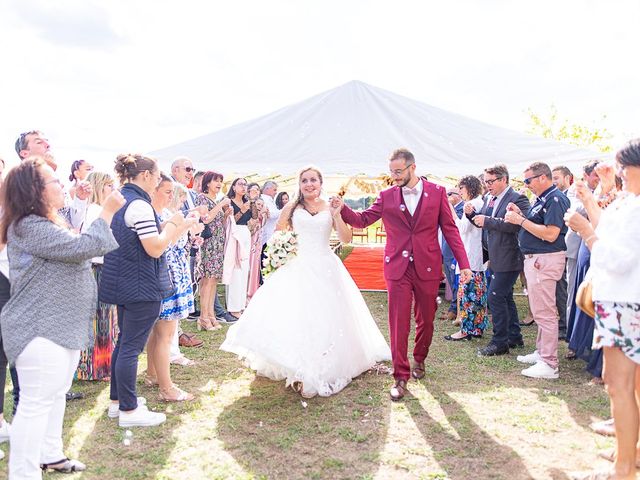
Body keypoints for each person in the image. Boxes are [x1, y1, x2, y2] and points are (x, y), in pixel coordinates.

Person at [221, 166, 391, 398]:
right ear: (299, 185)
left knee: (325, 315)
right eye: (304, 181)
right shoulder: (292, 207)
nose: (309, 184)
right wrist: (283, 249)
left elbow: (346, 238)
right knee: (297, 313)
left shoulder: (330, 207)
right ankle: (296, 364)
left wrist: (337, 214)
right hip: (298, 266)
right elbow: (278, 234)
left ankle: (322, 362)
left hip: (325, 266)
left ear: (321, 183)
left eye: (313, 180)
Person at [0, 157, 122, 477]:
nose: (62, 186)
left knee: (54, 396)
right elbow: (87, 246)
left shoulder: (46, 222)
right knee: (35, 405)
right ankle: (23, 474)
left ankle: (50, 454)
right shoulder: (28, 226)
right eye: (54, 181)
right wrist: (106, 210)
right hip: (38, 328)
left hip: (60, 325)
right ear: (35, 190)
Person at [335, 148, 471, 401]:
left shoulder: (438, 192)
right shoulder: (386, 195)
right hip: (397, 267)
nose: (394, 177)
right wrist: (342, 209)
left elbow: (450, 230)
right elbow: (363, 220)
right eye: (392, 172)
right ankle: (400, 375)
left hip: (428, 265)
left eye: (398, 172)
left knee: (426, 319)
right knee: (398, 322)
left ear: (412, 167)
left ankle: (420, 358)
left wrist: (464, 264)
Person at [100, 154, 195, 427]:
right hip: (141, 285)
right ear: (144, 176)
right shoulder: (140, 205)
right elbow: (154, 248)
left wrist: (174, 226)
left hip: (123, 281)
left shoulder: (120, 200)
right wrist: (175, 226)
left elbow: (143, 237)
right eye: (155, 176)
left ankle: (118, 403)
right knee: (131, 348)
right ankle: (129, 411)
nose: (157, 182)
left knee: (124, 344)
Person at [565, 139, 640, 480]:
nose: (618, 173)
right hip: (624, 302)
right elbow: (611, 226)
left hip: (625, 304)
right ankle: (631, 454)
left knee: (618, 385)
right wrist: (596, 196)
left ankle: (622, 471)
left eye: (621, 167)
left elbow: (617, 258)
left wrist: (587, 233)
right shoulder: (629, 202)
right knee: (633, 386)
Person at [505, 162, 570, 379]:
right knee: (541, 309)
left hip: (545, 259)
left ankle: (549, 363)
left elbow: (551, 233)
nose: (527, 185)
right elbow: (536, 223)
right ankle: (543, 352)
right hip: (537, 259)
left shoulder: (555, 199)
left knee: (545, 312)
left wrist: (520, 220)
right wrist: (521, 214)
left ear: (543, 177)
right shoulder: (543, 199)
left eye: (528, 180)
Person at [146, 175, 197, 402]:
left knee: (159, 332)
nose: (170, 196)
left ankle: (152, 374)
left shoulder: (160, 213)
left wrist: (184, 224)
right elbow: (166, 243)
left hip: (169, 273)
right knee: (165, 334)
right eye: (167, 192)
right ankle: (166, 388)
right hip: (167, 276)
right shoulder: (157, 215)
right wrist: (181, 224)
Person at [471, 164, 530, 357]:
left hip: (509, 255)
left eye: (490, 181)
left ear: (503, 179)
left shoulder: (518, 198)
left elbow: (514, 226)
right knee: (505, 297)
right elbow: (485, 221)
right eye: (485, 181)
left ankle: (500, 342)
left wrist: (487, 221)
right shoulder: (489, 198)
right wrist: (472, 216)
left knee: (495, 297)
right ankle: (514, 336)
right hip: (494, 255)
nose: (487, 185)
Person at [76, 172, 119, 381]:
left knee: (106, 319)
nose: (113, 189)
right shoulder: (95, 210)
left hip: (103, 266)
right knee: (99, 320)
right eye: (109, 186)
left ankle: (103, 365)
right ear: (100, 187)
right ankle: (94, 368)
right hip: (96, 267)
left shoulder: (100, 210)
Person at [444, 176, 488, 341]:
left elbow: (462, 228)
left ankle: (467, 330)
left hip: (471, 256)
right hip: (475, 256)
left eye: (461, 189)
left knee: (468, 295)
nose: (460, 193)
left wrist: (451, 211)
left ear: (468, 188)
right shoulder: (480, 202)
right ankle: (476, 327)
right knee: (477, 294)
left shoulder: (473, 204)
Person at [195, 171, 232, 329]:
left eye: (221, 181)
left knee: (213, 281)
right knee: (207, 280)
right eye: (216, 180)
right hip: (208, 244)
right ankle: (203, 317)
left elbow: (218, 224)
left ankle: (211, 315)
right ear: (207, 182)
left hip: (217, 244)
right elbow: (206, 218)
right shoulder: (202, 198)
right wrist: (221, 205)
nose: (219, 184)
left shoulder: (215, 200)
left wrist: (225, 215)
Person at [224, 178, 256, 318]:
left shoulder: (247, 201)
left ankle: (241, 304)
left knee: (244, 270)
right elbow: (231, 221)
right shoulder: (228, 202)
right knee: (235, 269)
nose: (243, 187)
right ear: (234, 186)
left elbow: (254, 217)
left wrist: (253, 202)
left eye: (245, 184)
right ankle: (233, 307)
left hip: (245, 234)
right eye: (241, 184)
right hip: (234, 233)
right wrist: (242, 210)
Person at [441, 188, 464, 323]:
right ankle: (453, 308)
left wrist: (448, 205)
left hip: (453, 250)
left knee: (455, 280)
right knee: (450, 279)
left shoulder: (462, 208)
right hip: (446, 248)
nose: (447, 197)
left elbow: (458, 225)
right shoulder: (454, 207)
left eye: (450, 194)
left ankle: (454, 309)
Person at [246, 183, 266, 301]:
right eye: (258, 204)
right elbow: (250, 230)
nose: (259, 206)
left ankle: (253, 290)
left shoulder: (261, 216)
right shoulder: (251, 215)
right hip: (250, 242)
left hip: (257, 244)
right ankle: (247, 291)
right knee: (249, 267)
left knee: (255, 267)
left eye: (261, 205)